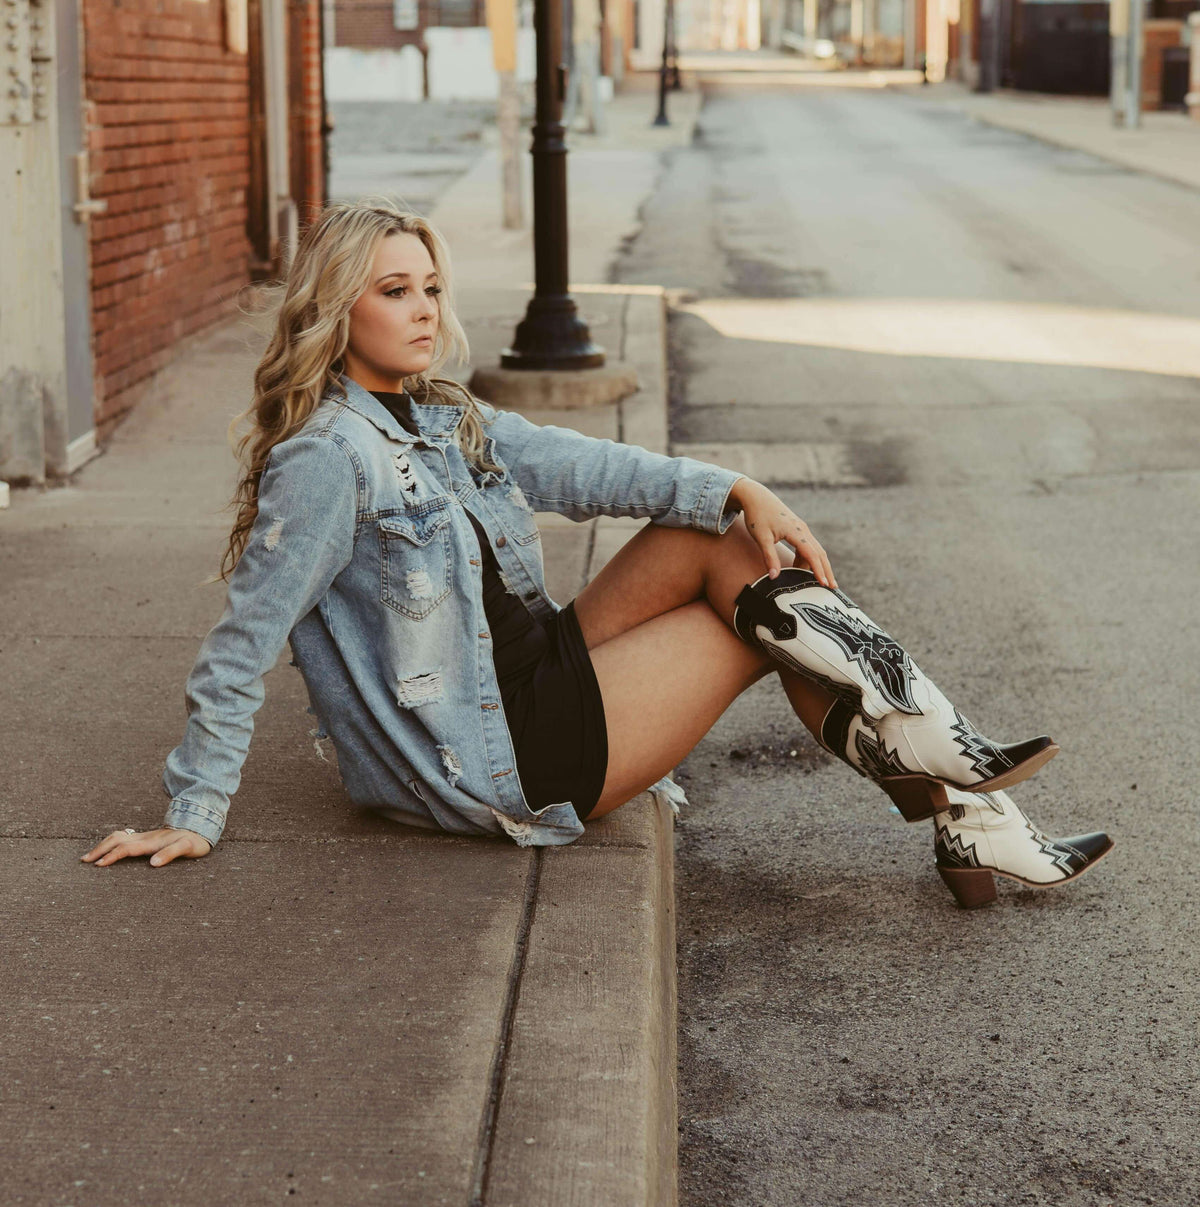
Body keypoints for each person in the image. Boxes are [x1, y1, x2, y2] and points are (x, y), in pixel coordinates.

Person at [81, 199, 1113, 908]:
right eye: (394, 290)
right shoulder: (327, 459)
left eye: (431, 287)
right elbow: (244, 636)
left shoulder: (438, 412)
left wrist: (735, 485)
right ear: (335, 309)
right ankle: (957, 788)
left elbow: (578, 466)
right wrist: (196, 810)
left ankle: (951, 782)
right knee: (756, 626)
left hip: (529, 675)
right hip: (501, 752)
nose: (426, 309)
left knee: (724, 537)